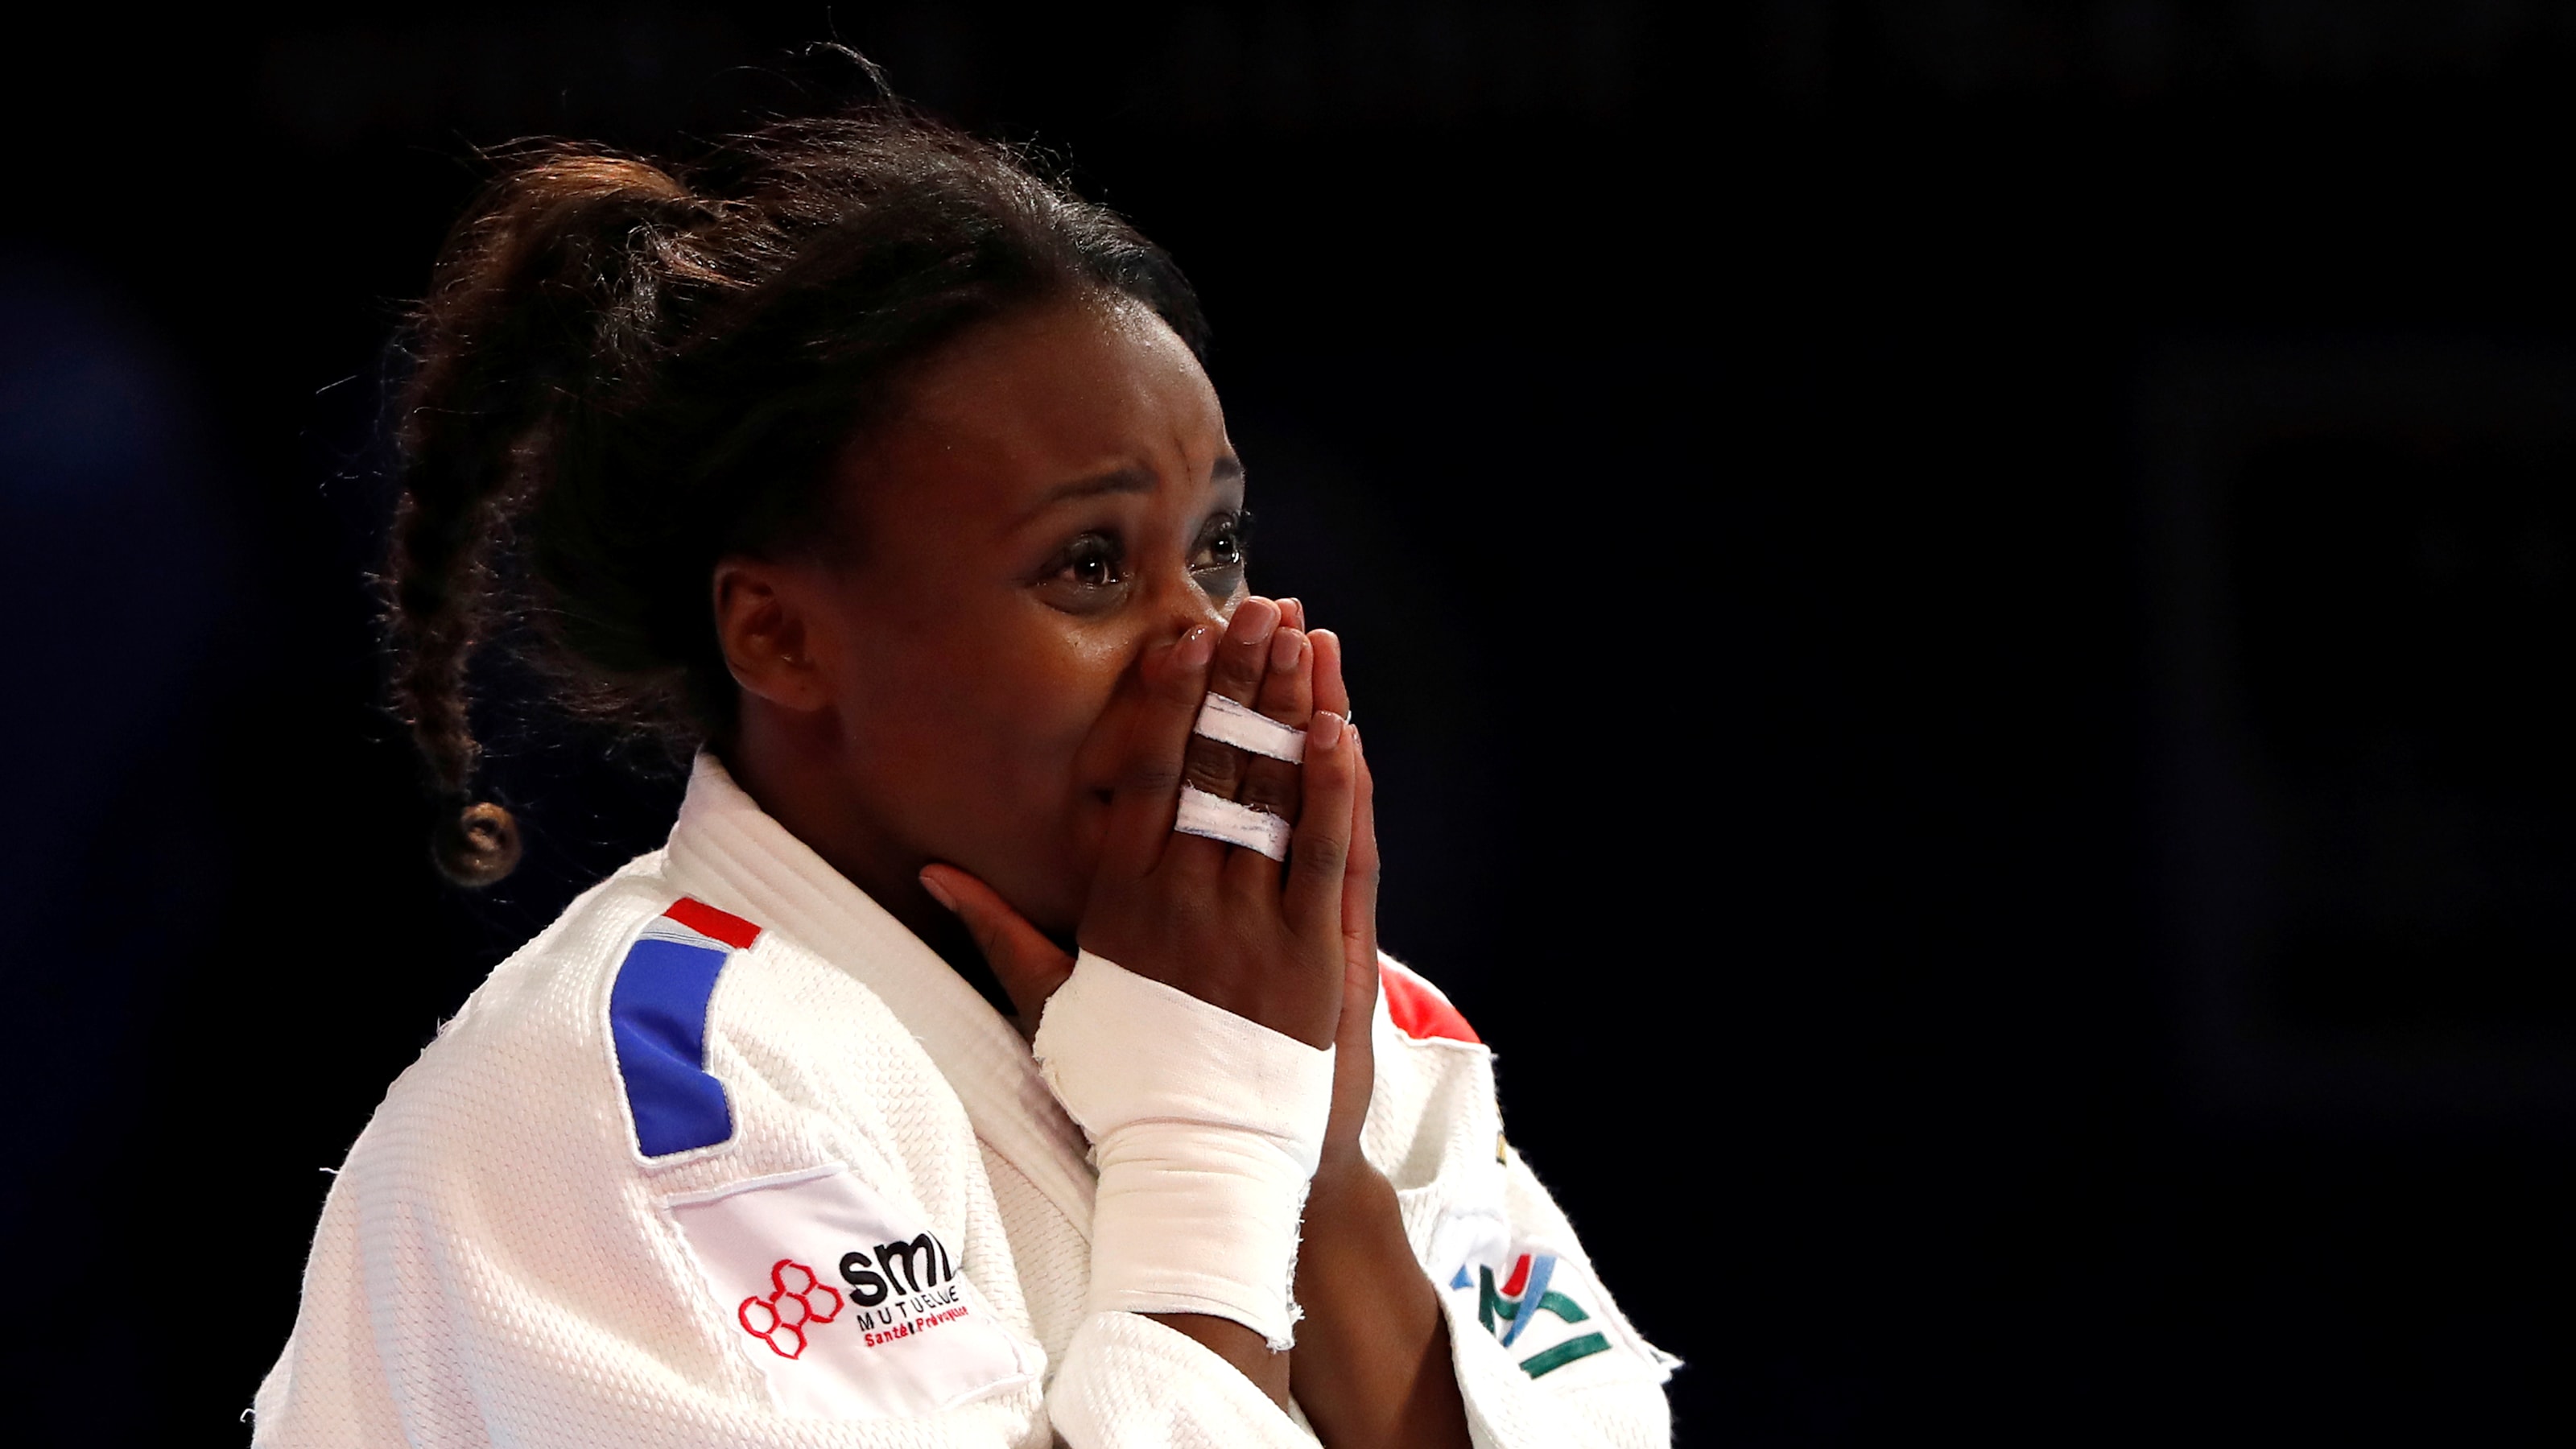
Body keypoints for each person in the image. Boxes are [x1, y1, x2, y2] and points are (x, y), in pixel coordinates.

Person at [251, 105, 1675, 1447]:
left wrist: (1316, 1142)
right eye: (1090, 564)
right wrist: (1210, 1145)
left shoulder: (1328, 1013)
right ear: (781, 634)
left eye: (1218, 546)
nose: (1205, 638)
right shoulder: (637, 1100)